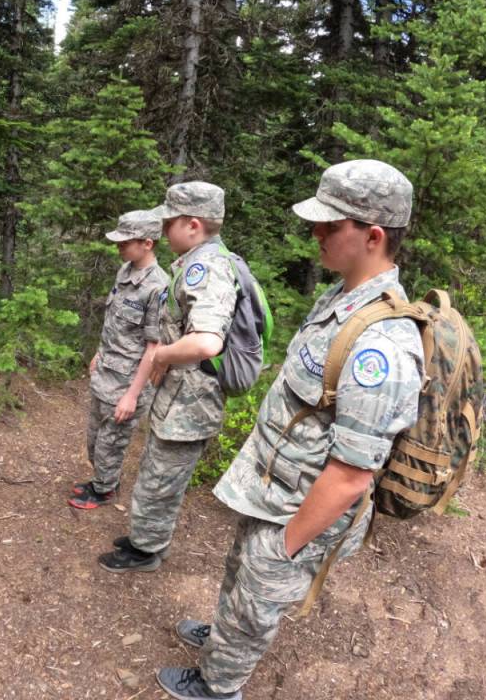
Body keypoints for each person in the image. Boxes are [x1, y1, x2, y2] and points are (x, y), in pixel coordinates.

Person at [155, 160, 422, 700]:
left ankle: (218, 683)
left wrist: (289, 544)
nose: (315, 233)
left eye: (330, 224)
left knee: (260, 592)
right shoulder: (342, 299)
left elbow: (351, 475)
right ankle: (223, 637)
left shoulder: (383, 346)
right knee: (240, 577)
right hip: (272, 487)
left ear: (373, 236)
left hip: (299, 508)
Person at [99, 182, 237, 572]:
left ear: (192, 224)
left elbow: (208, 342)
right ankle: (147, 538)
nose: (163, 230)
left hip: (191, 401)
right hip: (181, 395)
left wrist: (160, 353)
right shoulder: (200, 261)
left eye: (170, 222)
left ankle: (145, 553)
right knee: (157, 473)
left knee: (161, 478)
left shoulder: (205, 267)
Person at [69, 210, 170, 510]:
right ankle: (101, 478)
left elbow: (154, 348)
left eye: (126, 242)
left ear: (147, 243)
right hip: (106, 372)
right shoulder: (124, 272)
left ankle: (104, 490)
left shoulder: (158, 287)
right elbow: (114, 320)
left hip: (129, 382)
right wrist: (100, 352)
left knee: (110, 444)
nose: (119, 246)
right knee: (94, 438)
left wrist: (133, 395)